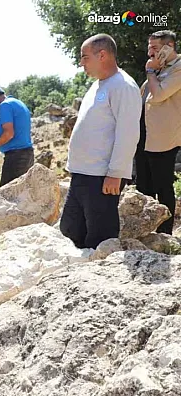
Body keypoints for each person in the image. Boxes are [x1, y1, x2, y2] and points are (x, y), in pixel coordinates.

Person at [61, 34, 142, 249]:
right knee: (70, 230)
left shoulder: (123, 86)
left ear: (102, 55)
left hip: (102, 176)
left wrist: (115, 173)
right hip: (82, 173)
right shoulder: (98, 85)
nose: (81, 63)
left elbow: (128, 133)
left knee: (100, 236)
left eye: (85, 57)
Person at [135, 30, 181, 234]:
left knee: (163, 186)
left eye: (155, 48)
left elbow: (160, 94)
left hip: (163, 139)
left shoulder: (177, 68)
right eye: (149, 49)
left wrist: (150, 72)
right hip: (144, 137)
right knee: (143, 186)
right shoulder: (156, 70)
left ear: (169, 47)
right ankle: (146, 232)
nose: (150, 53)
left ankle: (165, 235)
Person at [0, 86, 34, 186]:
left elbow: (9, 133)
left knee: (6, 195)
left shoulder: (5, 106)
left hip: (16, 157)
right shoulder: (16, 102)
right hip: (27, 154)